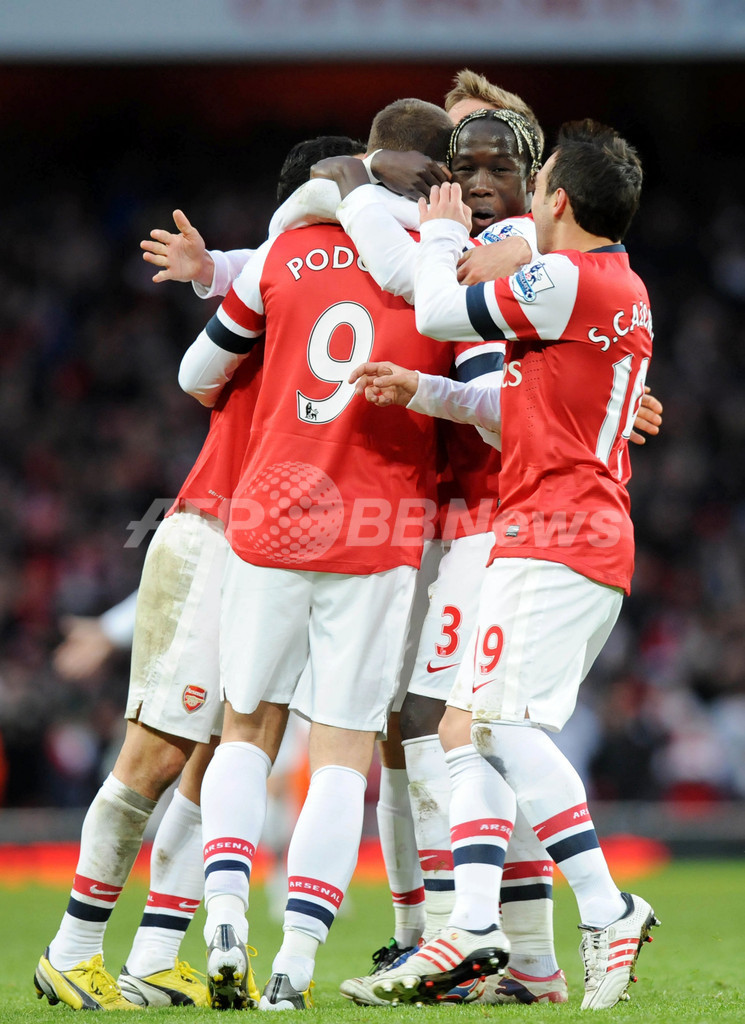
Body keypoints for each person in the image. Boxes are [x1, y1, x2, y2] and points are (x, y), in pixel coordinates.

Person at [33, 134, 365, 1013]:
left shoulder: (334, 289)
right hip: (216, 530)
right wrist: (218, 267)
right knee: (156, 753)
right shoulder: (287, 275)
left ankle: (154, 954)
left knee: (218, 758)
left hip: (273, 546)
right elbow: (253, 280)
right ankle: (71, 949)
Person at [362, 120, 659, 1009]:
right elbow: (517, 407)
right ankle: (472, 926)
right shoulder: (610, 284)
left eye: (536, 182)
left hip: (560, 531)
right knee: (465, 728)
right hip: (556, 528)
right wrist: (424, 389)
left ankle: (607, 908)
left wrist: (441, 233)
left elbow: (436, 312)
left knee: (498, 728)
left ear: (555, 198)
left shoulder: (567, 277)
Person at [181, 98, 460, 1013]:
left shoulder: (286, 248)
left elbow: (195, 375)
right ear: (436, 172)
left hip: (271, 513)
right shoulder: (441, 269)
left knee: (246, 729)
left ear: (368, 157)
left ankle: (226, 919)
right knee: (340, 754)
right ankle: (294, 965)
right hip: (377, 531)